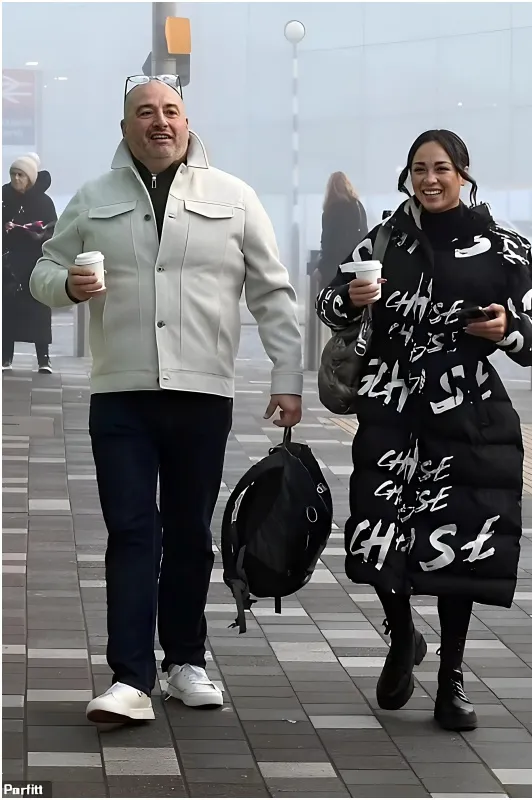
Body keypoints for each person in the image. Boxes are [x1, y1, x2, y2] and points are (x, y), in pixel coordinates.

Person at [30, 75, 304, 725]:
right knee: (130, 532)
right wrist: (67, 284)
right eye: (145, 112)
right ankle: (129, 677)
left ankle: (186, 663)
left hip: (201, 392)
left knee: (188, 533)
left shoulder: (232, 197)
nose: (160, 122)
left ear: (188, 122)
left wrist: (287, 376)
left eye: (171, 111)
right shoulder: (94, 198)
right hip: (119, 394)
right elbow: (42, 271)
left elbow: (272, 289)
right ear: (125, 127)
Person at [316, 129, 532, 731]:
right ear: (408, 176)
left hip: (467, 414)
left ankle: (452, 678)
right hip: (391, 409)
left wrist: (505, 331)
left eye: (441, 168)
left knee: (459, 544)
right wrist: (350, 296)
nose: (430, 178)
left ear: (463, 173)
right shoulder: (383, 240)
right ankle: (402, 636)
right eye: (419, 168)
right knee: (375, 531)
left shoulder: (504, 248)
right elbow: (327, 307)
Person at [3, 153, 58, 373]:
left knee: (39, 311)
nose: (16, 179)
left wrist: (42, 235)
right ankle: (6, 357)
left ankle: (43, 359)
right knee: (6, 310)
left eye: (21, 175)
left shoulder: (44, 201)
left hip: (36, 262)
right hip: (8, 263)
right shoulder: (3, 196)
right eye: (13, 174)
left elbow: (54, 229)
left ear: (30, 178)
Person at [316, 171, 368, 289]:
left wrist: (321, 268)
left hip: (333, 268)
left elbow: (327, 243)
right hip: (355, 265)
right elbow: (365, 235)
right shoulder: (358, 206)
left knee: (331, 302)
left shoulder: (330, 211)